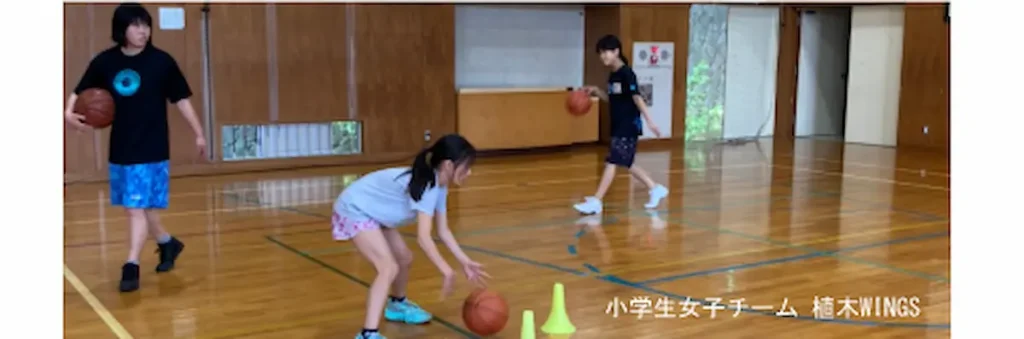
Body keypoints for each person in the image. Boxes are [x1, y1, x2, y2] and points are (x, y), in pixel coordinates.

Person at [63, 3, 207, 292]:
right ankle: (168, 244)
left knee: (134, 208)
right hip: (121, 146)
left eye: (146, 24)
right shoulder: (105, 62)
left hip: (152, 146)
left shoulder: (161, 62)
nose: (143, 31)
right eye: (136, 25)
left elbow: (181, 99)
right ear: (122, 29)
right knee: (143, 208)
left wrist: (199, 133)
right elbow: (79, 92)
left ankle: (131, 265)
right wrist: (67, 112)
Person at [333, 134, 490, 339]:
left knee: (404, 258)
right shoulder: (428, 186)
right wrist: (445, 269)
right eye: (466, 166)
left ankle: (397, 305)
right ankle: (367, 334)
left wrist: (464, 261)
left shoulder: (440, 186)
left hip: (375, 212)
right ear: (448, 165)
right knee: (387, 267)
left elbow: (443, 231)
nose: (470, 172)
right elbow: (423, 238)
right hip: (355, 209)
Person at [574, 34, 669, 215]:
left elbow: (637, 97)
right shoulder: (613, 75)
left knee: (613, 161)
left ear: (616, 51)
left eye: (606, 52)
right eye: (601, 53)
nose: (603, 56)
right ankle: (655, 188)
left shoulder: (627, 74)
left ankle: (597, 201)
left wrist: (650, 121)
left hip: (628, 125)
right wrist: (595, 91)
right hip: (618, 124)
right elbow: (612, 99)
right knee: (626, 161)